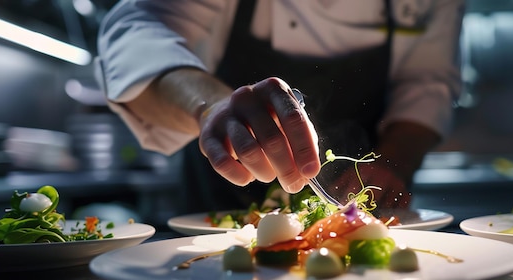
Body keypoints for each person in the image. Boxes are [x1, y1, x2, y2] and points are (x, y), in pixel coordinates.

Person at [94, 0, 465, 213]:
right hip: (217, 205)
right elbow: (138, 30)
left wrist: (392, 161)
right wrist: (213, 107)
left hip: (365, 206)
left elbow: (428, 81)